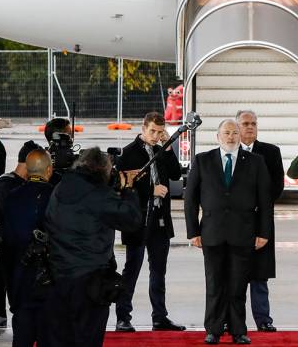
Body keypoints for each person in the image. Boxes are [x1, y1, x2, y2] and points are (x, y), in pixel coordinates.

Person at [185, 119, 273, 345]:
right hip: (211, 233)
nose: (231, 136)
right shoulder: (202, 160)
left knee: (237, 285)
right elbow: (190, 199)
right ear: (218, 136)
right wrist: (193, 231)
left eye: (235, 132)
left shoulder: (256, 162)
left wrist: (263, 232)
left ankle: (238, 330)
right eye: (227, 132)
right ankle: (213, 329)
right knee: (214, 285)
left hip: (243, 233)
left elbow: (265, 201)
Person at [43, 147, 142, 347]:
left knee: (59, 337)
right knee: (88, 337)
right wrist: (129, 190)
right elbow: (131, 220)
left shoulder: (60, 188)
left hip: (57, 276)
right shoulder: (99, 195)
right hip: (90, 281)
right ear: (102, 171)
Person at [115, 112, 185, 333]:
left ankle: (160, 316)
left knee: (159, 270)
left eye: (159, 132)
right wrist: (149, 191)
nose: (155, 136)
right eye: (153, 131)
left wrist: (167, 146)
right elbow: (122, 186)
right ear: (143, 128)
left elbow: (175, 174)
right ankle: (123, 317)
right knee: (132, 269)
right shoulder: (127, 153)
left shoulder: (160, 149)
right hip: (138, 219)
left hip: (160, 219)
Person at [236, 110, 285, 333]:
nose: (250, 127)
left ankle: (263, 319)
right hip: (234, 223)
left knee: (260, 275)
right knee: (234, 276)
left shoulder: (271, 152)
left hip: (261, 221)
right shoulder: (229, 151)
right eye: (246, 123)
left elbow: (277, 186)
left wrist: (257, 205)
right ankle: (232, 320)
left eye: (253, 123)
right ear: (237, 127)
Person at [0, 149, 53, 346]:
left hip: (19, 280)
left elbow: (6, 242)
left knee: (22, 337)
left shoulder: (11, 197)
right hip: (49, 283)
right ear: (48, 170)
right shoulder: (54, 195)